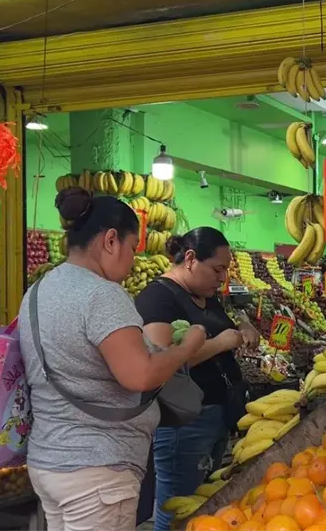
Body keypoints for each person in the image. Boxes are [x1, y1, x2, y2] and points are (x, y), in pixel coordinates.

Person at [19, 188, 206, 531]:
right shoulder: (101, 294)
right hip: (96, 469)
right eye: (132, 247)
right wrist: (188, 346)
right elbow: (140, 376)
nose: (133, 259)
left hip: (49, 460)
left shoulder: (39, 291)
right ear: (110, 240)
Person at [135, 227, 257, 531]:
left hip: (217, 413)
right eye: (217, 269)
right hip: (184, 422)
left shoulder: (205, 296)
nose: (222, 277)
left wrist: (244, 327)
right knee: (176, 505)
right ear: (190, 258)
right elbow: (161, 361)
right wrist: (221, 344)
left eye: (225, 270)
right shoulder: (157, 298)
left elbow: (224, 325)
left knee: (202, 502)